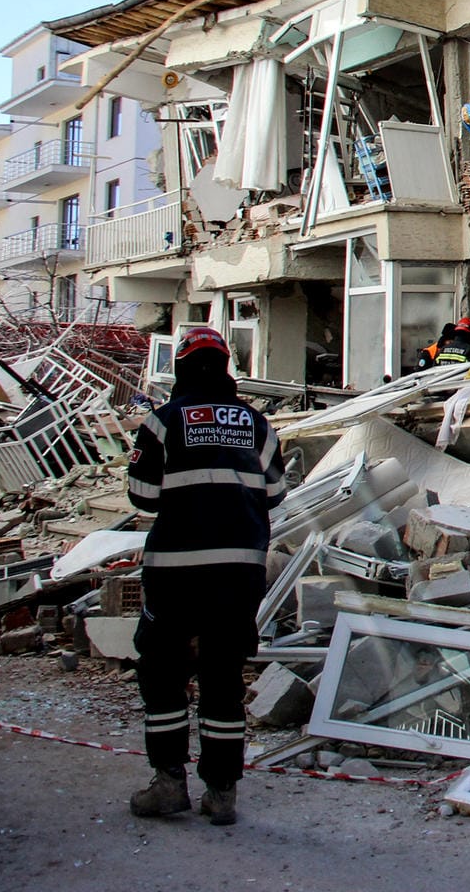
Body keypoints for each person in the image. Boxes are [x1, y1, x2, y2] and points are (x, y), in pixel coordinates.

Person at [126, 326, 285, 826]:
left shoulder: (162, 421)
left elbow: (142, 496)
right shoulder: (258, 425)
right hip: (238, 572)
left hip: (176, 570)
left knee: (164, 672)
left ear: (181, 369)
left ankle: (170, 783)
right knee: (222, 677)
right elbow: (276, 494)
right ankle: (222, 793)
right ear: (224, 368)